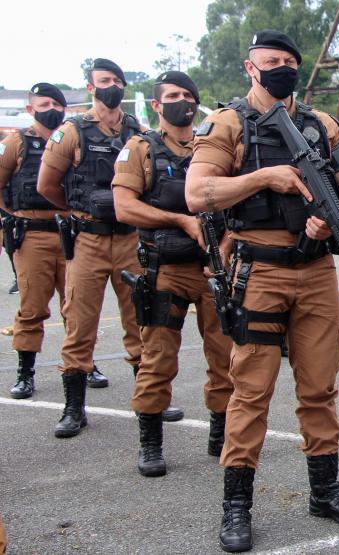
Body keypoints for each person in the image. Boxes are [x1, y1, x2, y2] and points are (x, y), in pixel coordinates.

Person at [185, 30, 339, 552]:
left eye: (290, 61)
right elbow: (197, 192)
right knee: (251, 391)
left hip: (315, 272)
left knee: (320, 386)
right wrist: (264, 177)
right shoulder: (228, 122)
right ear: (251, 67)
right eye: (273, 61)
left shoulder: (321, 124)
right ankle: (237, 506)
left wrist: (336, 220)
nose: (283, 68)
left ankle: (325, 490)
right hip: (258, 272)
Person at [112, 71, 234, 477]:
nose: (183, 100)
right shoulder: (141, 148)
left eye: (188, 94)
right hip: (165, 270)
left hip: (215, 268)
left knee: (225, 357)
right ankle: (150, 444)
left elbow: (237, 204)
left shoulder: (214, 146)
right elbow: (124, 207)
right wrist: (180, 221)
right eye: (173, 95)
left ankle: (220, 436)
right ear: (156, 105)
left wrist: (225, 247)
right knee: (158, 359)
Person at [36, 58, 155, 438]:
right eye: (104, 81)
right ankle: (74, 409)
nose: (112, 86)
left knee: (142, 319)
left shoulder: (137, 131)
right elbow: (46, 185)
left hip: (130, 238)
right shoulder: (71, 131)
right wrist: (78, 211)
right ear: (91, 87)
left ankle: (150, 401)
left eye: (117, 80)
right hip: (87, 239)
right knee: (80, 323)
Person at [0, 83, 68, 400]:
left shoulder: (71, 138)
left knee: (79, 309)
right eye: (44, 103)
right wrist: (15, 215)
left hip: (70, 234)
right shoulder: (17, 142)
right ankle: (25, 373)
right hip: (33, 234)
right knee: (32, 308)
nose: (51, 108)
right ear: (31, 109)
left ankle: (83, 365)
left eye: (56, 103)